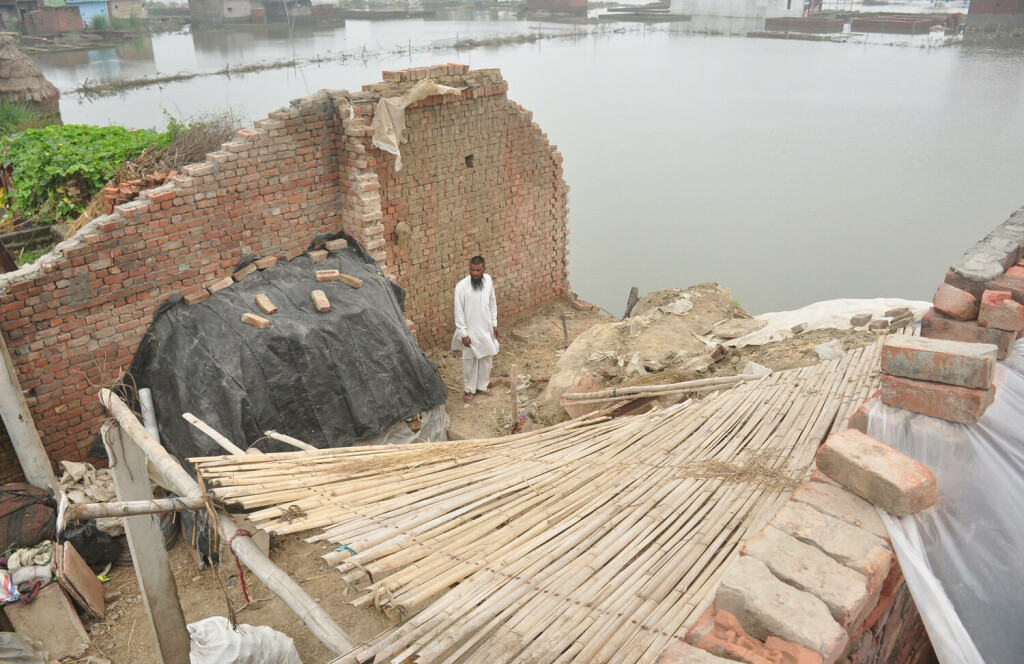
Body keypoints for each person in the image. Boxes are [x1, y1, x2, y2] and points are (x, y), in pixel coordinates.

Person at [452, 256, 499, 404]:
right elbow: (458, 312)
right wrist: (463, 333)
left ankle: (482, 386)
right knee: (469, 361)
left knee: (486, 358)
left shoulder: (488, 281)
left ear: (484, 269)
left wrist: (494, 324)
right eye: (472, 270)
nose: (475, 273)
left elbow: (492, 303)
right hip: (469, 331)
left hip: (485, 328)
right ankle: (469, 390)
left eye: (478, 270)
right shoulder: (461, 287)